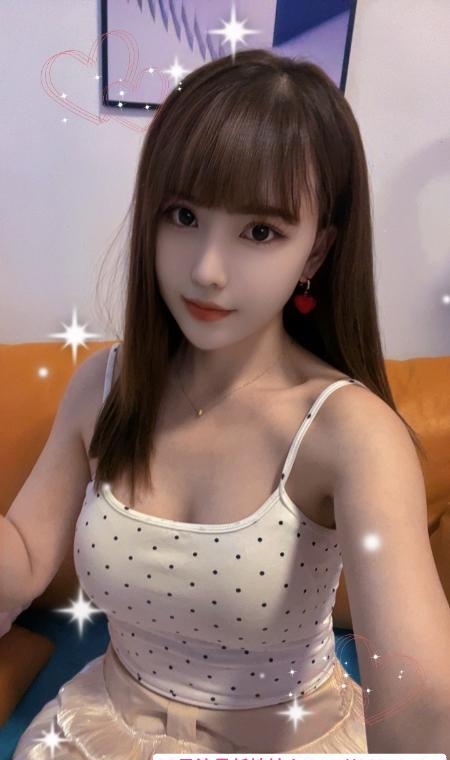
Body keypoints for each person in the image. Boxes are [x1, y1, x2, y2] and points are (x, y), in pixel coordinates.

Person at [8, 48, 450, 757]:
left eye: (260, 231)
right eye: (183, 215)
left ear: (316, 253)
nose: (207, 270)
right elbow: (27, 553)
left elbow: (419, 692)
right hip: (98, 729)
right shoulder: (104, 385)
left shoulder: (351, 433)